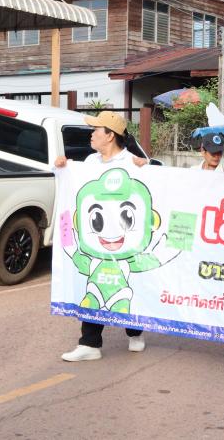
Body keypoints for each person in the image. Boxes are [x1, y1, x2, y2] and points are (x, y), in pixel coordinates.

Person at [54, 111, 150, 362]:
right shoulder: (90, 162)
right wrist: (63, 168)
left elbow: (151, 191)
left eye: (96, 130)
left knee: (127, 286)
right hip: (98, 240)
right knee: (93, 287)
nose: (91, 134)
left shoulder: (132, 162)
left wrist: (147, 168)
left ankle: (135, 332)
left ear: (110, 135)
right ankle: (90, 344)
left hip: (124, 241)